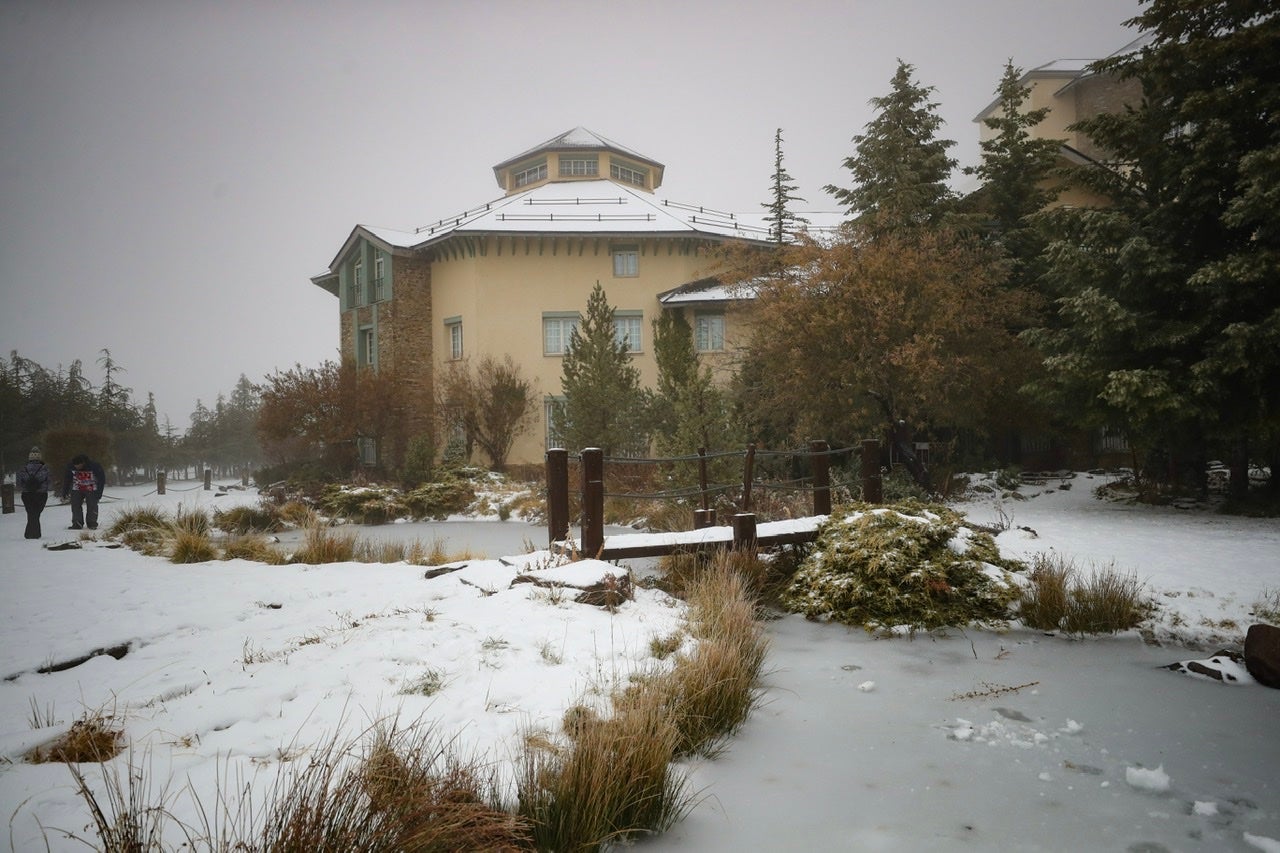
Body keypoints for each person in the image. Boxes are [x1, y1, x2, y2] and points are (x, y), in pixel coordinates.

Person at [61, 453, 106, 530]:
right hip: (76, 489)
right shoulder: (70, 467)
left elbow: (101, 479)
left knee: (92, 506)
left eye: (79, 466)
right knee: (75, 506)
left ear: (83, 463)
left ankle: (92, 523)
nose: (77, 467)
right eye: (75, 466)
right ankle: (77, 523)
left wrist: (99, 493)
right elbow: (67, 479)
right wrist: (64, 492)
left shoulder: (94, 466)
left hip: (91, 489)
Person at [16, 446, 51, 539]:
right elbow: (49, 482)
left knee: (31, 513)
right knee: (36, 514)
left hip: (27, 494)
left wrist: (26, 487)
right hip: (41, 494)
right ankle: (34, 534)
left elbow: (19, 483)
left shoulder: (23, 468)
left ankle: (30, 533)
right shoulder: (45, 468)